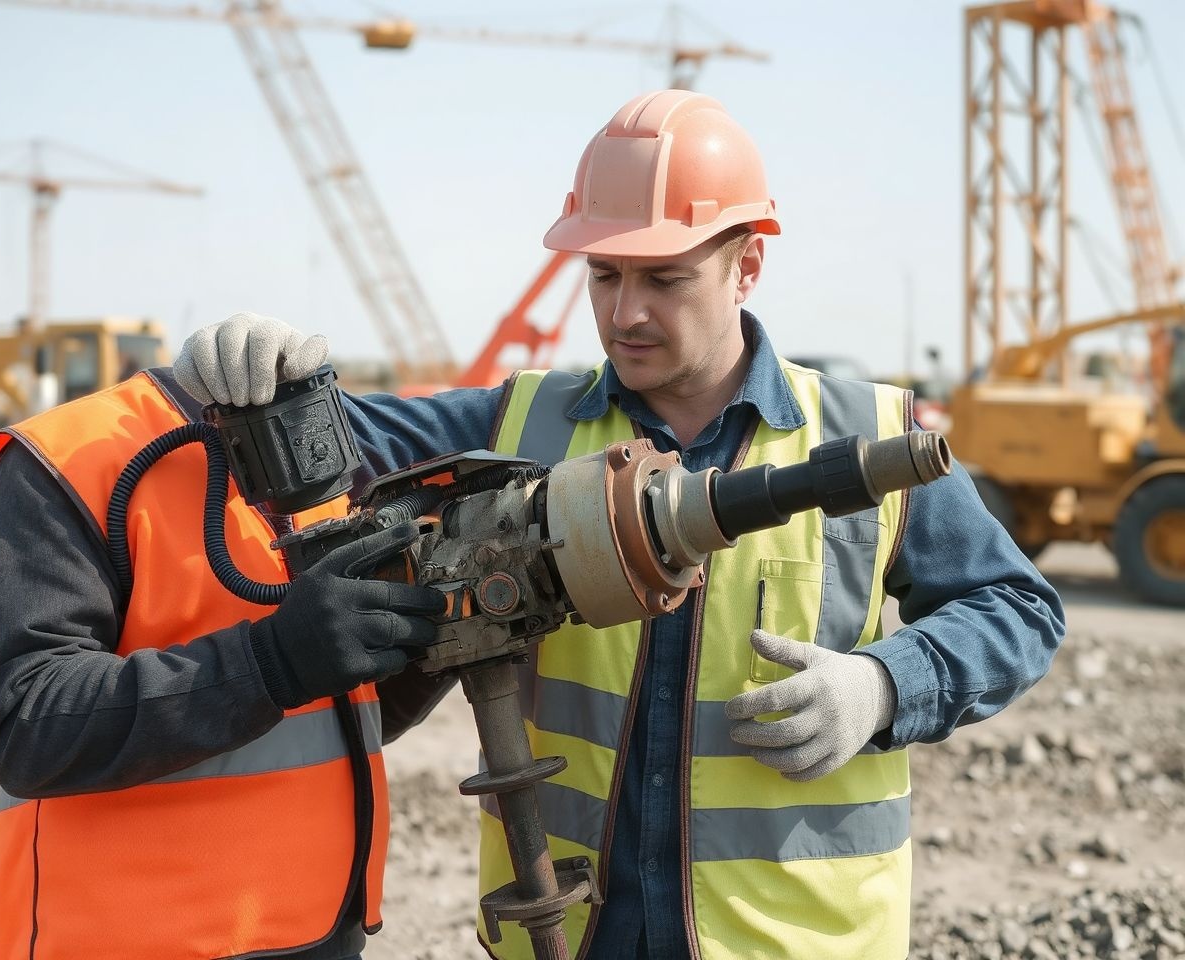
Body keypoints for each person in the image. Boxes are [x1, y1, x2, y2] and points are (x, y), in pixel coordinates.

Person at [176, 90, 1066, 960]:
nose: (625, 312)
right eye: (604, 275)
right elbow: (335, 437)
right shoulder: (516, 427)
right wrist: (267, 378)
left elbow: (1019, 609)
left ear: (746, 267)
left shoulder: (869, 436)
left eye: (665, 278)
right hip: (565, 926)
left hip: (788, 938)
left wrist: (885, 687)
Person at [0, 353, 449, 954]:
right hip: (129, 941)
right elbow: (27, 723)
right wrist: (269, 662)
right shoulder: (61, 461)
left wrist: (425, 647)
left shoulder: (304, 452)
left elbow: (335, 719)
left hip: (314, 931)